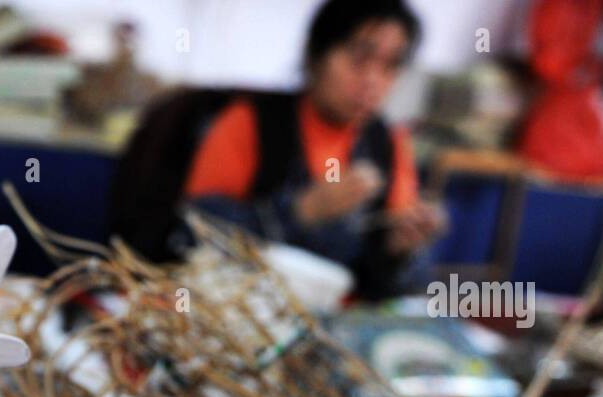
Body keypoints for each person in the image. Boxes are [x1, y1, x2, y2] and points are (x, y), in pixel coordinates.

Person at [184, 0, 445, 299]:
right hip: (245, 309)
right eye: (359, 59)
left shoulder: (387, 144)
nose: (372, 81)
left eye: (390, 66)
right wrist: (300, 212)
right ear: (316, 53)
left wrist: (400, 250)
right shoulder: (252, 122)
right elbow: (194, 230)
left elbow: (401, 285)